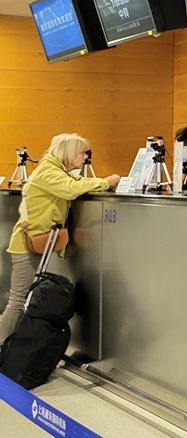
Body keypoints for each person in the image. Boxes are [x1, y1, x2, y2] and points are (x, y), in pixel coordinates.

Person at [0, 133, 120, 340]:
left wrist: (99, 182)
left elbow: (77, 181)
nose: (85, 158)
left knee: (19, 299)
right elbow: (71, 189)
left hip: (34, 241)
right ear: (70, 153)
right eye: (82, 153)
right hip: (25, 245)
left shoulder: (55, 170)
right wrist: (105, 182)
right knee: (17, 300)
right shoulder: (49, 171)